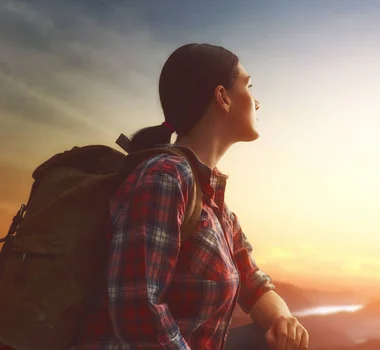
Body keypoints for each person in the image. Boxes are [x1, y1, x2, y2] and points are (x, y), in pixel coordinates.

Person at [73, 43, 309, 350]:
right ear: (222, 97)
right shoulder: (165, 178)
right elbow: (139, 313)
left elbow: (251, 281)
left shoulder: (212, 202)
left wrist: (283, 320)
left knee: (271, 342)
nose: (258, 102)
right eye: (248, 86)